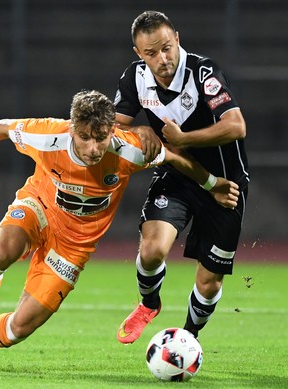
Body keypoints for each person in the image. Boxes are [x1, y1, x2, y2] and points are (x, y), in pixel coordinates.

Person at [0, 90, 239, 368]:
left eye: (100, 137)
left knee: (19, 328)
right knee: (4, 250)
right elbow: (4, 127)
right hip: (39, 209)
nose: (92, 147)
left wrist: (213, 185)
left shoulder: (128, 149)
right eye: (85, 137)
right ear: (73, 129)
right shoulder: (49, 136)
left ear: (110, 130)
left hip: (73, 246)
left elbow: (173, 156)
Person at [114, 10, 250, 344]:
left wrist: (184, 138)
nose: (162, 59)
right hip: (176, 176)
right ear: (139, 54)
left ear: (177, 38)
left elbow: (236, 126)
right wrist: (141, 130)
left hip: (225, 185)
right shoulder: (134, 78)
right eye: (151, 53)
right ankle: (149, 303)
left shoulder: (203, 72)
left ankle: (187, 339)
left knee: (209, 282)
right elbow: (115, 125)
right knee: (151, 250)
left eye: (166, 48)